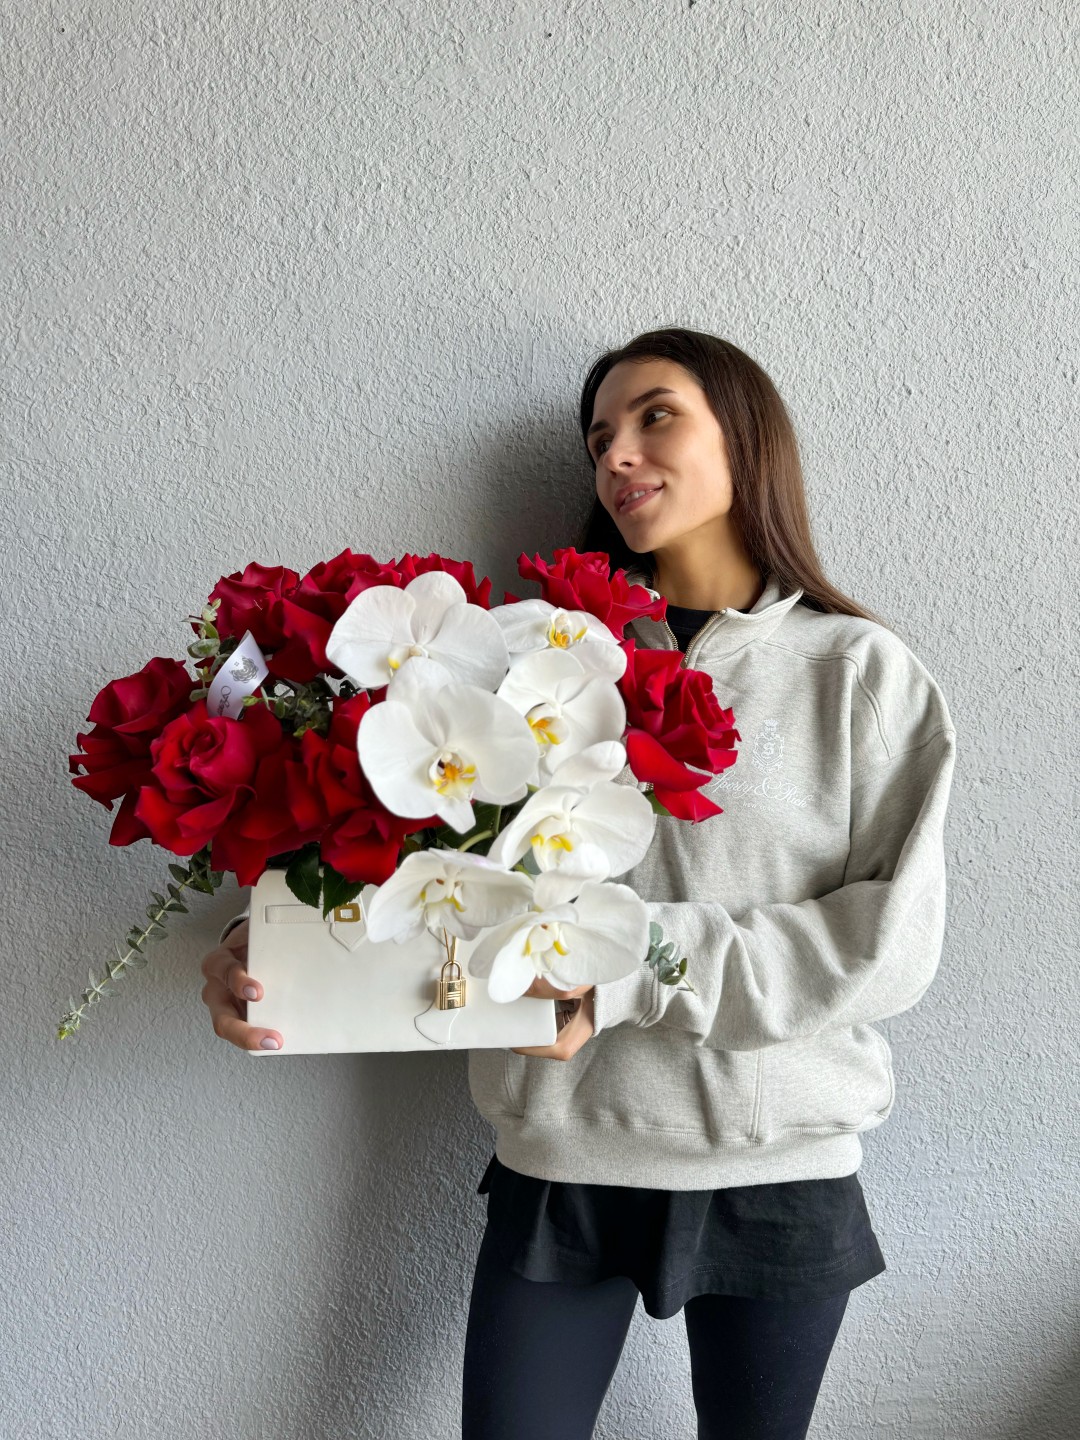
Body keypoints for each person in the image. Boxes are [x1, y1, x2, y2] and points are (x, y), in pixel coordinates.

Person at [201, 328, 958, 1440]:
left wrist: (625, 970)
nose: (617, 456)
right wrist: (280, 942)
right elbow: (429, 866)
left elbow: (886, 946)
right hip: (561, 1153)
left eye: (656, 416)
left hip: (780, 1161)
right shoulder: (521, 657)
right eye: (600, 438)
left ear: (747, 436)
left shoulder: (860, 674)